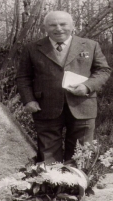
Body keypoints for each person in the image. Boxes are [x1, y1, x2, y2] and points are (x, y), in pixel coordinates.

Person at [16, 11, 111, 164]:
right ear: (45, 28)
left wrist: (87, 86)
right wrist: (29, 100)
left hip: (83, 105)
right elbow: (23, 77)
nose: (58, 28)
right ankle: (52, 185)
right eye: (53, 25)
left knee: (81, 153)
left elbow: (103, 70)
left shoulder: (90, 45)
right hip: (45, 106)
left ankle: (78, 186)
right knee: (48, 155)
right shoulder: (32, 48)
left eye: (63, 24)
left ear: (72, 26)